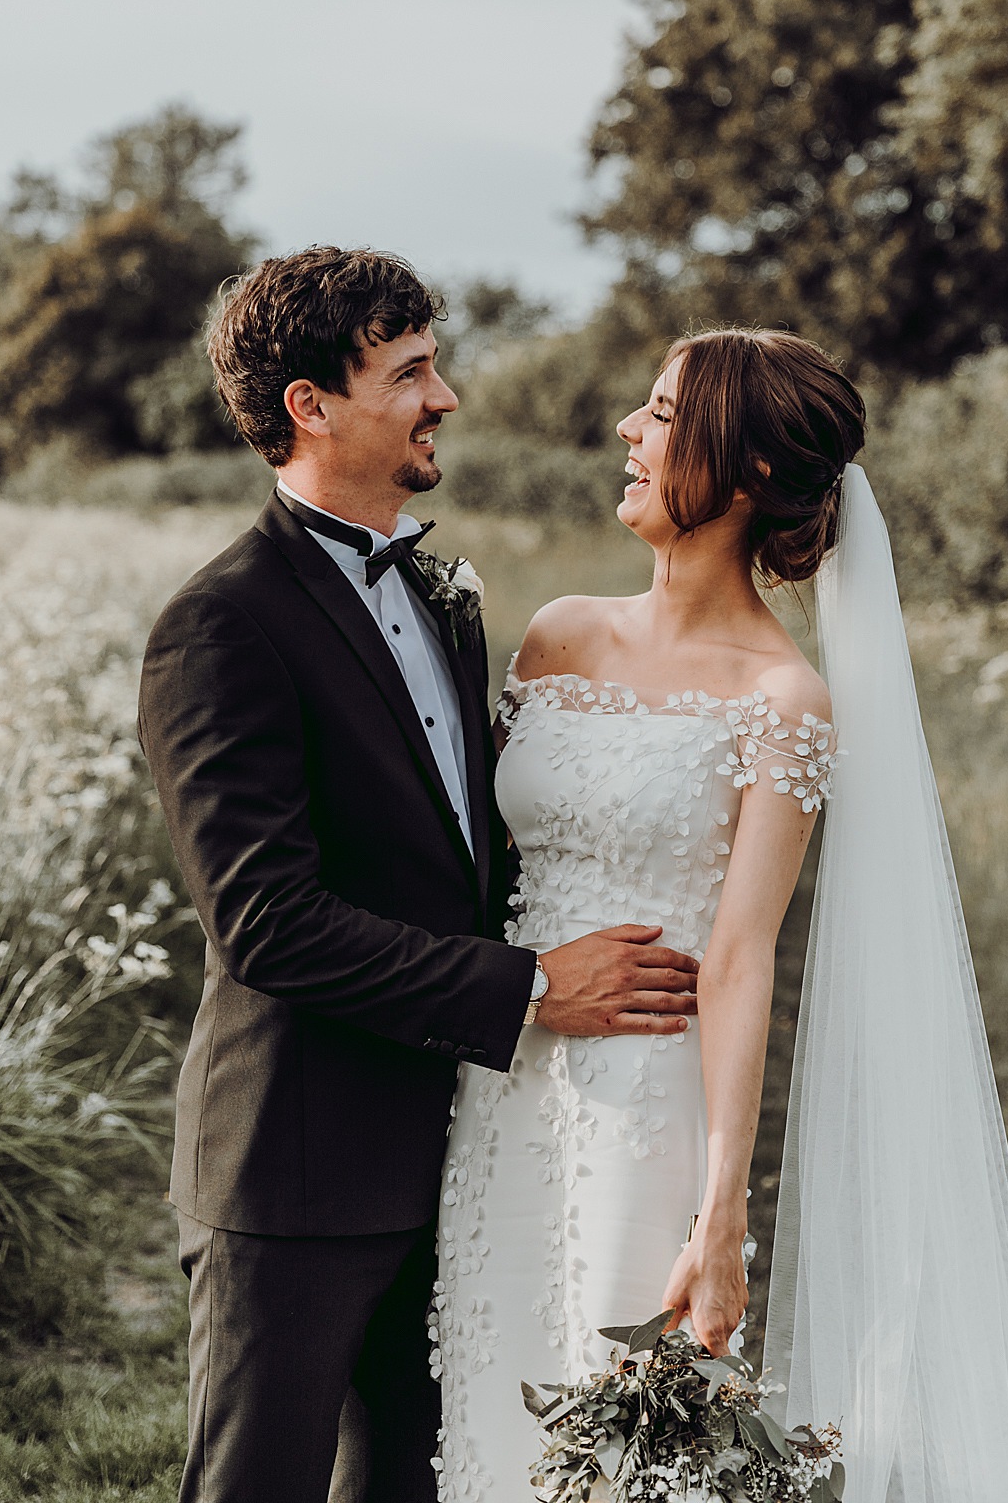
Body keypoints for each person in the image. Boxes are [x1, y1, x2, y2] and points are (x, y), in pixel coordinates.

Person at [431, 326, 1008, 1502]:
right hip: (507, 1079)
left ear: (740, 477)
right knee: (487, 1398)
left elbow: (739, 956)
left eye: (662, 414)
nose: (628, 430)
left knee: (609, 1434)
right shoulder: (558, 631)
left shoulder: (781, 698)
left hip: (646, 1097)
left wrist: (721, 1207)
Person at [137, 246, 700, 1503]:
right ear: (310, 406)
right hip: (293, 1161)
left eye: (433, 364)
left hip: (458, 1153)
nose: (443, 394)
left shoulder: (445, 597)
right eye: (410, 371)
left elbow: (459, 856)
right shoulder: (221, 621)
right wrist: (531, 984)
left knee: (413, 1481)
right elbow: (267, 924)